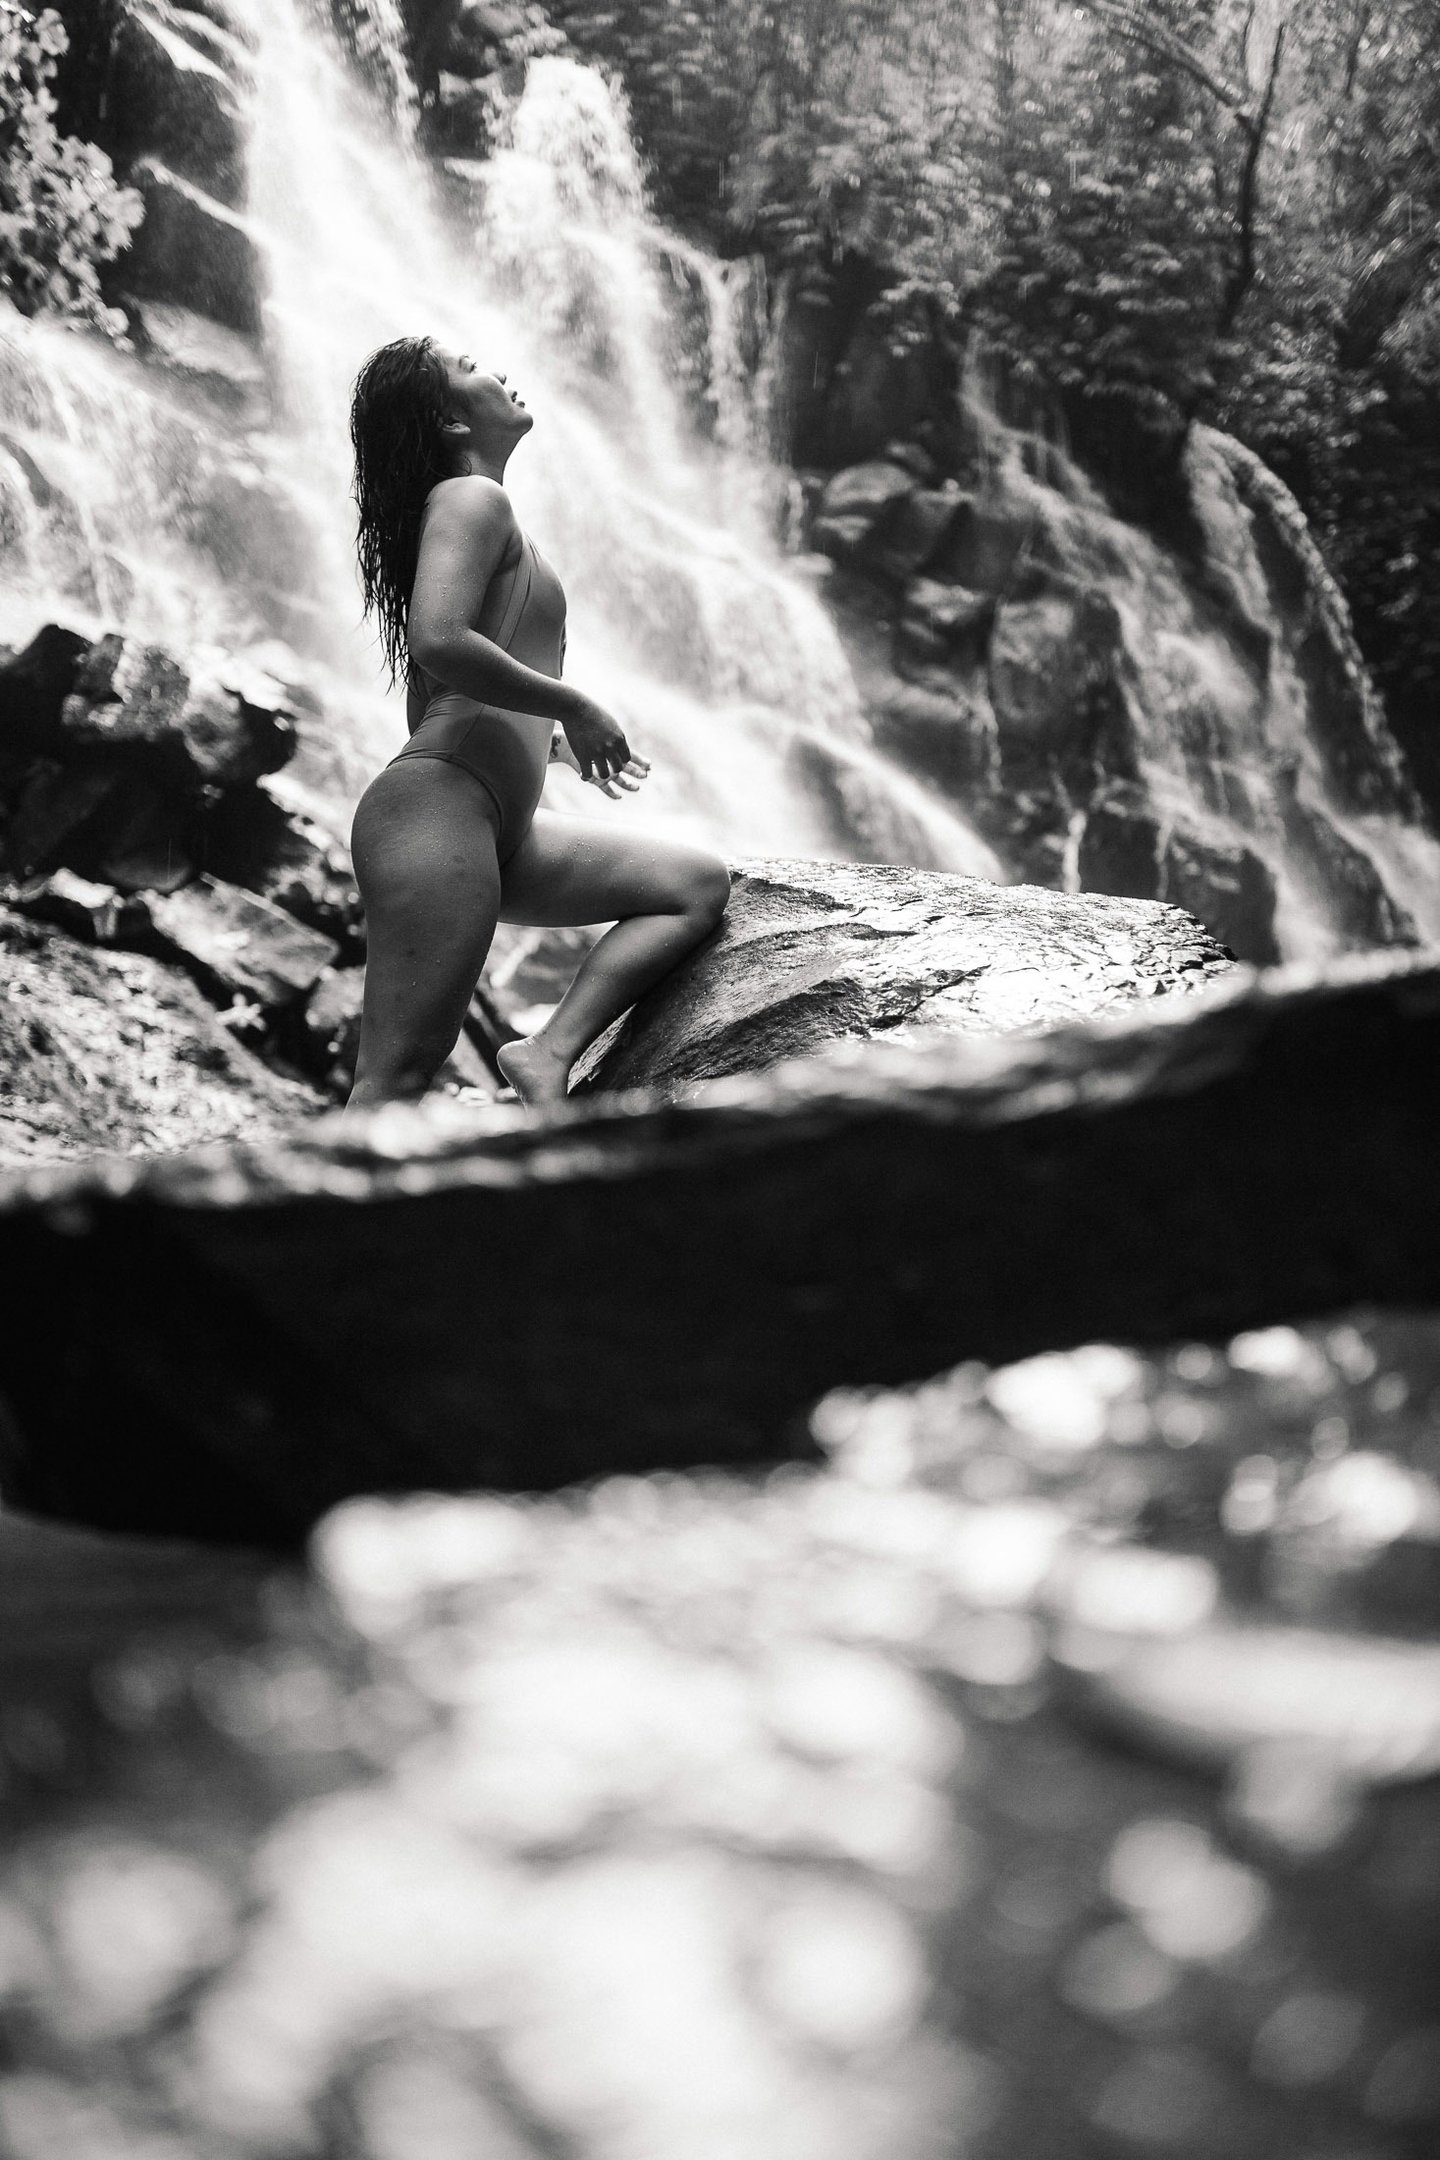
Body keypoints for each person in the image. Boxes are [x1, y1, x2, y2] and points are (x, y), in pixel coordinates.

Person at [344, 335, 730, 1109]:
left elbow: (442, 689)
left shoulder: (472, 508)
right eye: (471, 368)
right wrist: (574, 704)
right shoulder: (469, 498)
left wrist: (540, 741)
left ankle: (545, 1053)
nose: (500, 372)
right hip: (439, 811)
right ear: (451, 420)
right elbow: (441, 642)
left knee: (693, 884)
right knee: (393, 1082)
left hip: (496, 823)